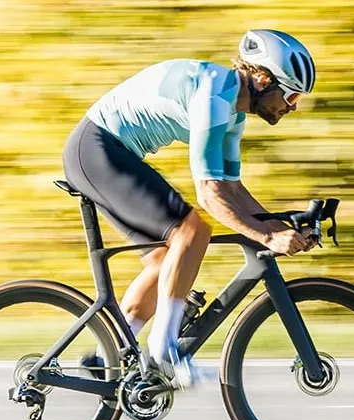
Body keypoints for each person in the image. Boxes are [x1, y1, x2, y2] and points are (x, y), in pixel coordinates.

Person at [63, 29, 319, 388]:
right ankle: (164, 351)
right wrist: (268, 236)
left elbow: (232, 188)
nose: (292, 106)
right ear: (263, 80)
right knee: (192, 231)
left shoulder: (233, 114)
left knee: (166, 260)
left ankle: (108, 356)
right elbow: (210, 195)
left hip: (104, 151)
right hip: (96, 148)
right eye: (291, 95)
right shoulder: (215, 95)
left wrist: (280, 225)